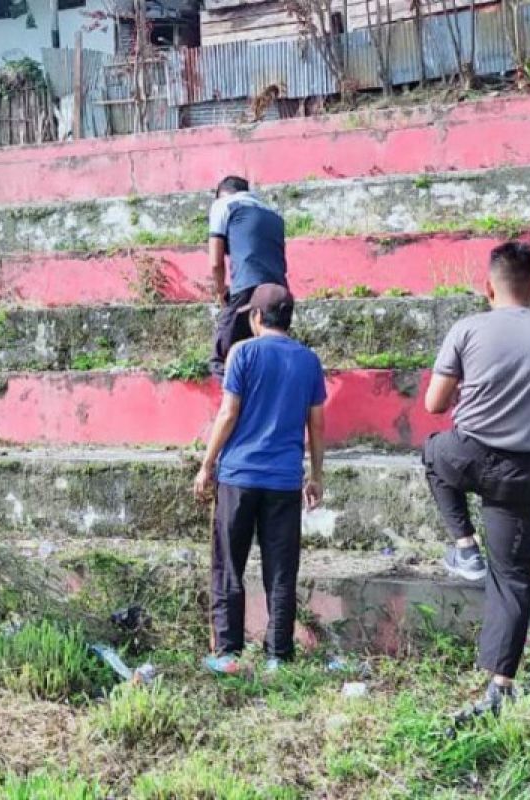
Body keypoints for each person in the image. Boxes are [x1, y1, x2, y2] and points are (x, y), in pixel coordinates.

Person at [422, 242, 530, 713]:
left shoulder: (467, 328)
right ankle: (500, 685)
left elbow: (434, 404)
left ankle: (463, 545)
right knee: (512, 577)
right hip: (524, 471)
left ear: (488, 286)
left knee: (432, 450)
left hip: (468, 456)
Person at [192, 283, 325, 675]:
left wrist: (206, 464)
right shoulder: (308, 361)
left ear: (255, 317)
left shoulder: (243, 353)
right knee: (281, 569)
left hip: (238, 477)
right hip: (284, 481)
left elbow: (228, 413)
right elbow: (316, 424)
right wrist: (315, 474)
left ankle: (229, 653)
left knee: (229, 564)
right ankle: (278, 656)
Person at [207, 176, 288, 380]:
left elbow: (215, 262)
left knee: (221, 360)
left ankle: (234, 408)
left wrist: (221, 292)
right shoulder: (274, 214)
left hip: (247, 286)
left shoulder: (223, 204)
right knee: (268, 357)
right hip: (279, 291)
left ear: (222, 193)